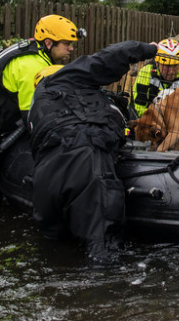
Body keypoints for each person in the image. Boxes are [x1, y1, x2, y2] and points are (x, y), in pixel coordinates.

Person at [27, 40, 157, 265]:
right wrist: (149, 49)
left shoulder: (34, 110)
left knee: (50, 252)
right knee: (102, 253)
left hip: (46, 180)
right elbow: (108, 57)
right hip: (88, 164)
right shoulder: (65, 80)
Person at [0, 14, 82, 211]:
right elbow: (34, 119)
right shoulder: (31, 66)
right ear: (49, 42)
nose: (71, 48)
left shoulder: (34, 52)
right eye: (67, 44)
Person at [131, 38, 179, 117]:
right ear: (157, 63)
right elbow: (140, 106)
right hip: (150, 120)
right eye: (167, 66)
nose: (171, 71)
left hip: (177, 121)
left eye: (175, 66)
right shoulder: (146, 73)